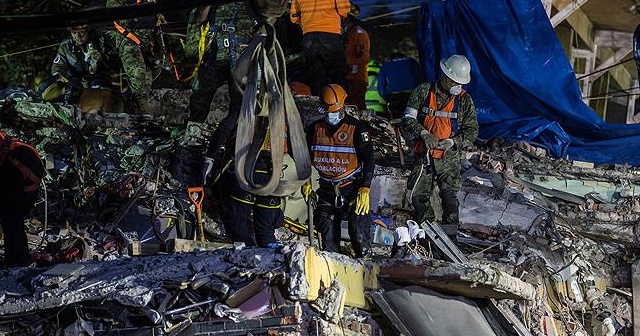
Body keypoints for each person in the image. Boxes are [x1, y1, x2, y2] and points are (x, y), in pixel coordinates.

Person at [401, 54, 478, 236]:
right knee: (418, 196)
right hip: (424, 155)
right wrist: (424, 133)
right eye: (454, 82)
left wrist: (453, 142)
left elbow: (472, 130)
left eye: (460, 83)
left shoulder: (465, 100)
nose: (457, 87)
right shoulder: (423, 92)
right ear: (445, 77)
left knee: (450, 198)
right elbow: (407, 118)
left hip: (449, 158)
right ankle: (428, 234)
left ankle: (450, 237)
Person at [302, 84, 374, 257]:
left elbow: (369, 160)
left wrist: (365, 187)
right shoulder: (314, 129)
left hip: (352, 189)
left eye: (333, 111)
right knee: (327, 238)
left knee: (358, 233)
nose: (330, 116)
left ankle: (366, 269)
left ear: (342, 107)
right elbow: (304, 158)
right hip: (327, 189)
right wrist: (306, 183)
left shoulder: (358, 129)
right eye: (327, 112)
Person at [182, 2, 257, 146]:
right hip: (213, 56)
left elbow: (264, 24)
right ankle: (191, 141)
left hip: (240, 59)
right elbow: (199, 21)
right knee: (199, 102)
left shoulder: (251, 5)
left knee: (239, 107)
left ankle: (229, 144)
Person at [50, 24, 151, 113]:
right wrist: (60, 77)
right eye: (74, 33)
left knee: (116, 99)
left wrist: (102, 59)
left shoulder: (101, 41)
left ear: (88, 31)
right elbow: (57, 67)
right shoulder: (66, 46)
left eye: (81, 32)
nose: (78, 36)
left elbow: (116, 63)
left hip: (104, 80)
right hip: (79, 84)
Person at [0, 132, 46, 268]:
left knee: (11, 220)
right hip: (26, 183)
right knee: (12, 220)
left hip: (18, 180)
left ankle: (18, 260)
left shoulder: (14, 155)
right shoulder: (13, 148)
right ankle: (16, 259)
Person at [290, 0, 350, 96]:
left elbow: (294, 18)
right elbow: (344, 9)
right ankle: (337, 104)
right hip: (331, 33)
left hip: (308, 36)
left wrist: (308, 23)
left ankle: (318, 105)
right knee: (337, 72)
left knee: (316, 74)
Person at [342, 4, 370, 111]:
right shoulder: (348, 33)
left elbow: (363, 57)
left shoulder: (358, 33)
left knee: (358, 107)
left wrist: (352, 69)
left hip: (357, 79)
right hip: (349, 78)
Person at [378, 53, 422, 119]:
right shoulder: (412, 61)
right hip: (411, 94)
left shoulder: (385, 65)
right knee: (413, 118)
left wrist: (387, 98)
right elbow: (420, 78)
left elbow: (380, 87)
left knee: (397, 120)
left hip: (395, 97)